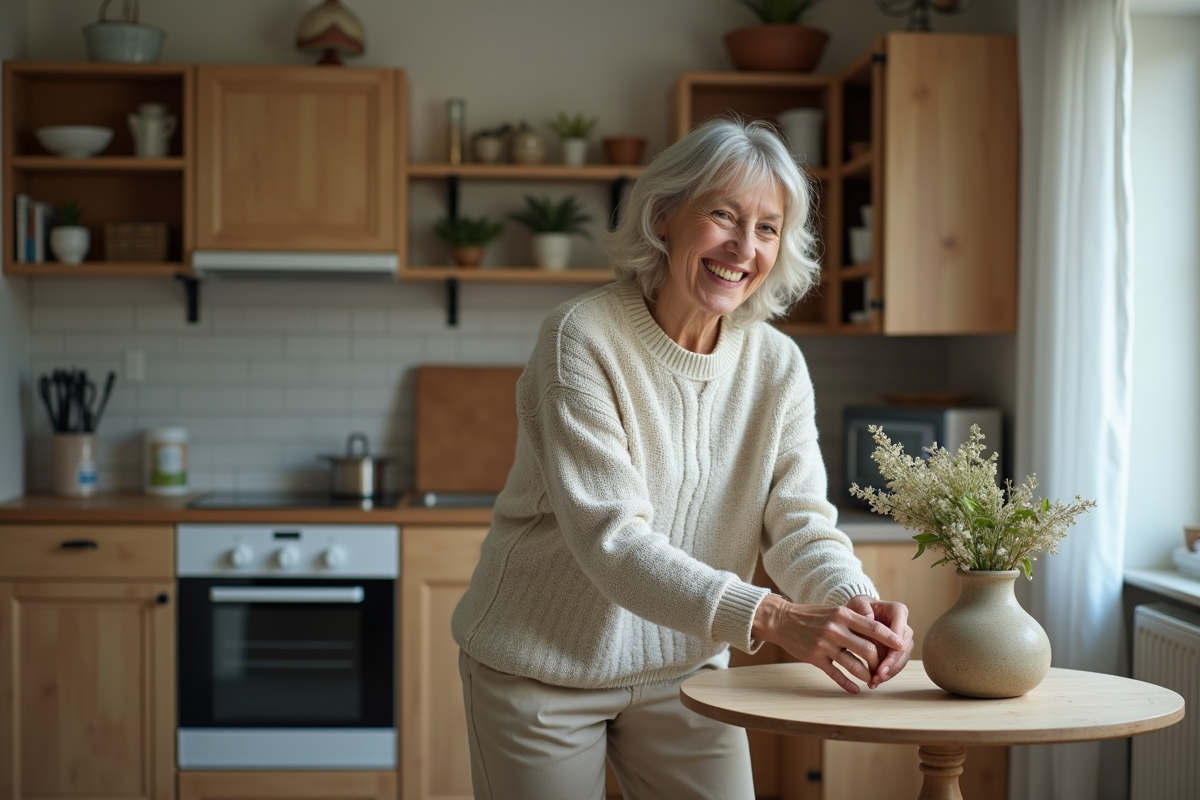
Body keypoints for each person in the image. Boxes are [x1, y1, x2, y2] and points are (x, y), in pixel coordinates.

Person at [451, 117, 914, 800]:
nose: (743, 247)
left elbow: (801, 524)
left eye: (766, 228)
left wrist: (855, 607)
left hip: (684, 670)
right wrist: (776, 619)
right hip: (541, 668)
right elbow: (613, 541)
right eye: (723, 215)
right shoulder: (581, 337)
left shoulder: (777, 365)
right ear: (663, 216)